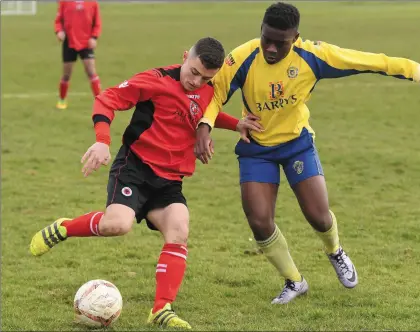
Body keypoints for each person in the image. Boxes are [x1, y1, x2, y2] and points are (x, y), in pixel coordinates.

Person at [194, 2, 420, 305]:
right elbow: (217, 94)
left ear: (296, 37)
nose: (270, 48)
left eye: (280, 42)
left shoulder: (313, 56)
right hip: (257, 148)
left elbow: (368, 61)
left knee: (318, 216)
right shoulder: (243, 57)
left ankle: (335, 251)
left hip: (296, 142)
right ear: (260, 30)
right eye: (266, 38)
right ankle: (294, 281)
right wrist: (205, 126)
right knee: (259, 220)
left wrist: (418, 71)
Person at [30, 37, 262, 329]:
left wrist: (236, 123)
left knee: (179, 229)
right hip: (135, 168)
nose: (196, 81)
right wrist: (102, 141)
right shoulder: (156, 80)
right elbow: (107, 98)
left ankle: (161, 309)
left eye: (206, 78)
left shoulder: (207, 90)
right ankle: (64, 227)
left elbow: (204, 114)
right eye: (193, 72)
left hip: (169, 181)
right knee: (118, 225)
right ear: (184, 56)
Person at [54, 0, 102, 110]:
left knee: (91, 71)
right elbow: (58, 21)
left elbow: (97, 23)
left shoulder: (92, 2)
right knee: (66, 74)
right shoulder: (64, 2)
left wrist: (94, 37)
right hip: (69, 42)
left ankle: (101, 102)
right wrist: (59, 31)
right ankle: (62, 100)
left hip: (86, 42)